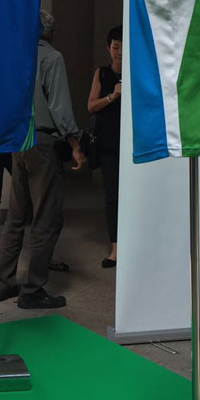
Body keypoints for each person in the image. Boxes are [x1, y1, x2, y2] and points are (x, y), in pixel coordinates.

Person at [0, 10, 87, 309]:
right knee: (46, 218)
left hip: (18, 141)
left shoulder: (16, 57)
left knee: (16, 217)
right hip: (43, 144)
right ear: (50, 32)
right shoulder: (52, 58)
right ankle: (32, 290)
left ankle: (4, 282)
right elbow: (60, 107)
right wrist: (75, 144)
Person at [87, 26, 122, 267]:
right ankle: (115, 249)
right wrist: (112, 96)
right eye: (115, 47)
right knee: (112, 196)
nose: (119, 52)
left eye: (122, 47)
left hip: (132, 143)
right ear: (108, 48)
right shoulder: (101, 73)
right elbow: (90, 106)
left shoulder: (136, 72)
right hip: (108, 143)